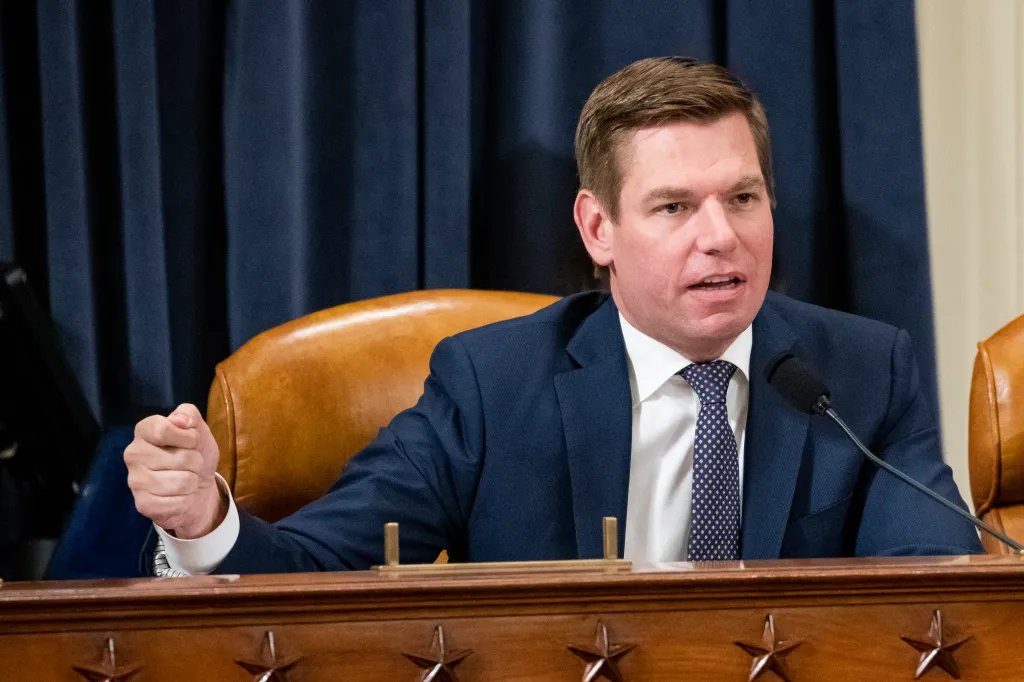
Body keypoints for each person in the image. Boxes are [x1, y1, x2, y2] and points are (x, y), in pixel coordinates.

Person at [125, 57, 983, 576]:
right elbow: (316, 569)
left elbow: (940, 592)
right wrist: (205, 522)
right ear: (598, 229)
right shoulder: (491, 388)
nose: (722, 237)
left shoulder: (862, 373)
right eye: (675, 207)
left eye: (743, 198)